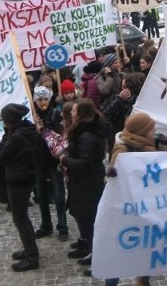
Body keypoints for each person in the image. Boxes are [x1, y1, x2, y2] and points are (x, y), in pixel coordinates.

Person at [104, 113, 157, 286]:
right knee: (119, 251)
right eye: (151, 128)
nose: (154, 130)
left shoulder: (147, 144)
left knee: (147, 247)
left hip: (146, 206)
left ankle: (142, 280)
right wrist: (112, 173)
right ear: (142, 131)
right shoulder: (123, 149)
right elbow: (112, 181)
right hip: (127, 210)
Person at [59, 99, 108, 273]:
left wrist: (64, 159)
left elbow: (85, 164)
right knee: (84, 218)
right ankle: (90, 250)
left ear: (82, 114)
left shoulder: (86, 136)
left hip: (88, 184)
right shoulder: (83, 132)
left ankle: (98, 258)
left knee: (89, 220)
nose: (71, 113)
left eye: (74, 111)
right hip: (82, 183)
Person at [0, 103, 43, 272]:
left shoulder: (17, 137)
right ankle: (29, 249)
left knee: (20, 218)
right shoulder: (27, 131)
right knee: (22, 217)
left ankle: (32, 256)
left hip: (18, 179)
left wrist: (5, 137)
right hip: (25, 176)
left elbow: (2, 156)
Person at [31, 85, 68, 241]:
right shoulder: (32, 116)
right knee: (42, 196)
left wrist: (42, 128)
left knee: (59, 196)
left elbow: (58, 136)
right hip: (38, 161)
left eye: (45, 99)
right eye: (40, 99)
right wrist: (34, 126)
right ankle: (46, 226)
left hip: (54, 162)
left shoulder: (55, 115)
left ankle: (63, 227)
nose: (43, 102)